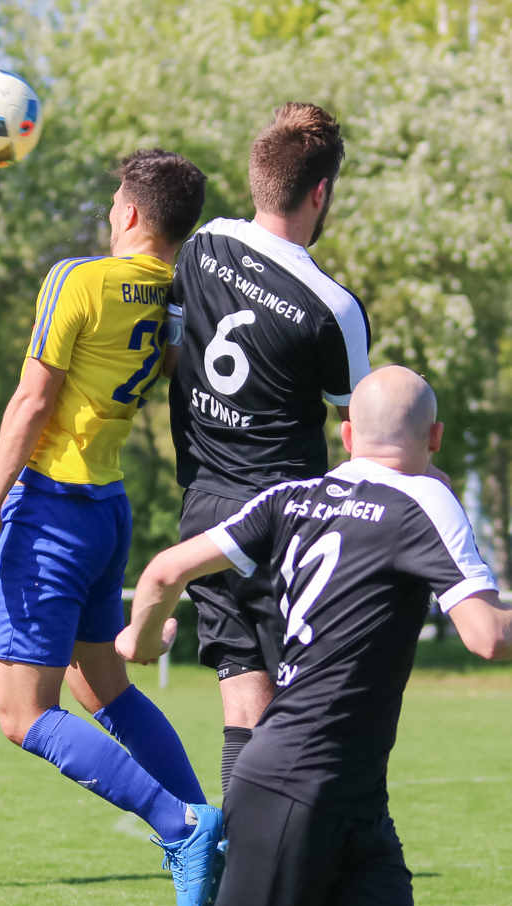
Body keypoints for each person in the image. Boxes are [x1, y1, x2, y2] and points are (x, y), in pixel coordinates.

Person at [16, 366, 512, 906]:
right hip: (294, 791)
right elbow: (486, 635)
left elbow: (166, 570)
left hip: (349, 795)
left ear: (347, 435)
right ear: (435, 438)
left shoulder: (290, 499)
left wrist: (137, 640)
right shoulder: (426, 500)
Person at [0, 149, 222, 906]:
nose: (110, 211)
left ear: (132, 213)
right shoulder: (177, 291)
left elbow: (31, 400)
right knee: (101, 688)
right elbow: (167, 365)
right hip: (107, 506)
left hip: (51, 505)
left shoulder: (77, 278)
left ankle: (181, 826)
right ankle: (209, 823)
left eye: (114, 201)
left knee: (22, 716)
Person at [166, 101, 373, 795]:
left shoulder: (204, 245)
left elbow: (174, 352)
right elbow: (363, 435)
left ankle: (239, 851)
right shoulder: (333, 308)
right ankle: (292, 849)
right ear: (321, 192)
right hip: (283, 522)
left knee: (243, 701)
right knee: (302, 714)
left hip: (203, 508)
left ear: (258, 178)